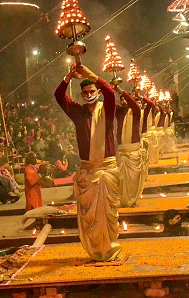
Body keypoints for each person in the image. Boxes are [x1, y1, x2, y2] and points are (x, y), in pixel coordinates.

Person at [54, 63, 121, 262]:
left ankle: (110, 249)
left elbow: (110, 93)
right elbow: (59, 96)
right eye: (85, 92)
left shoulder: (108, 110)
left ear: (97, 92)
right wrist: (68, 76)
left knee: (108, 215)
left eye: (92, 91)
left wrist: (89, 74)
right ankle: (95, 251)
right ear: (81, 95)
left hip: (107, 170)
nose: (89, 94)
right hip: (88, 172)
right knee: (90, 218)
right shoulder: (78, 113)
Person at [114, 86, 149, 207]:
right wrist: (110, 90)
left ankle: (132, 200)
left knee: (133, 180)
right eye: (121, 99)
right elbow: (110, 103)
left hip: (133, 152)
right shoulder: (119, 113)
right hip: (122, 152)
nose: (123, 101)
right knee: (121, 180)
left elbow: (133, 104)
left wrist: (121, 90)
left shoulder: (136, 112)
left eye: (125, 99)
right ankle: (124, 201)